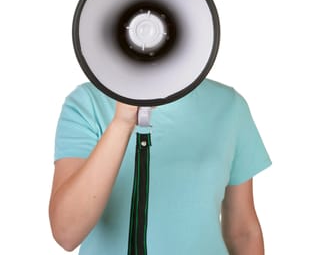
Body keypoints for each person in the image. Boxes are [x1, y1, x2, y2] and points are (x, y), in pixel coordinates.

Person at [49, 78, 271, 254]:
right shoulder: (88, 103)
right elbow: (67, 233)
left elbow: (242, 231)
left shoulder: (228, 106)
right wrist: (122, 123)